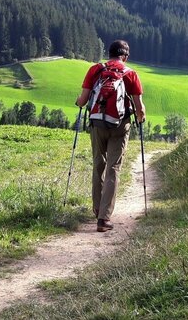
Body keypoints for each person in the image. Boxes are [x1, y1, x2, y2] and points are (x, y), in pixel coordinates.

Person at [75, 40, 145, 232]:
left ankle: (97, 209)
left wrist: (78, 102)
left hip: (97, 123)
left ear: (109, 53)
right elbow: (139, 108)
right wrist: (141, 117)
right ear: (126, 56)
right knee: (113, 167)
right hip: (120, 125)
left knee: (99, 164)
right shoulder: (130, 73)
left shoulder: (95, 70)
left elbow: (82, 100)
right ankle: (104, 218)